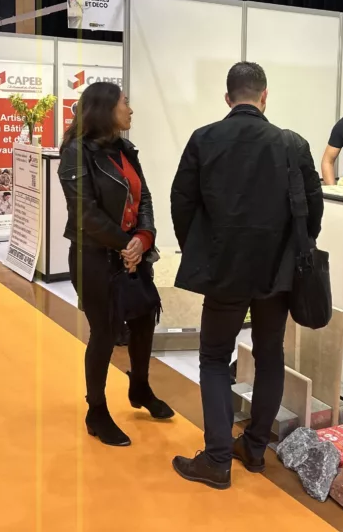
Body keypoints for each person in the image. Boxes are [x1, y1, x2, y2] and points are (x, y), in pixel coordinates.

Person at [170, 62, 323, 490]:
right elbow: (313, 208)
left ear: (227, 97)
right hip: (277, 272)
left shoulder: (204, 139)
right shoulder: (292, 144)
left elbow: (182, 202)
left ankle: (218, 459)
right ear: (264, 96)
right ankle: (254, 448)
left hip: (224, 269)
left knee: (214, 357)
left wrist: (199, 249)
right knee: (270, 353)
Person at [59, 81, 173, 447]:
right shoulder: (76, 152)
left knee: (143, 320)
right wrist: (128, 244)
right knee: (105, 333)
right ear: (105, 109)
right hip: (93, 257)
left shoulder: (125, 149)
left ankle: (140, 387)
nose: (131, 109)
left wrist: (144, 237)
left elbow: (144, 197)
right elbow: (84, 213)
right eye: (125, 102)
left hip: (132, 254)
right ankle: (96, 410)